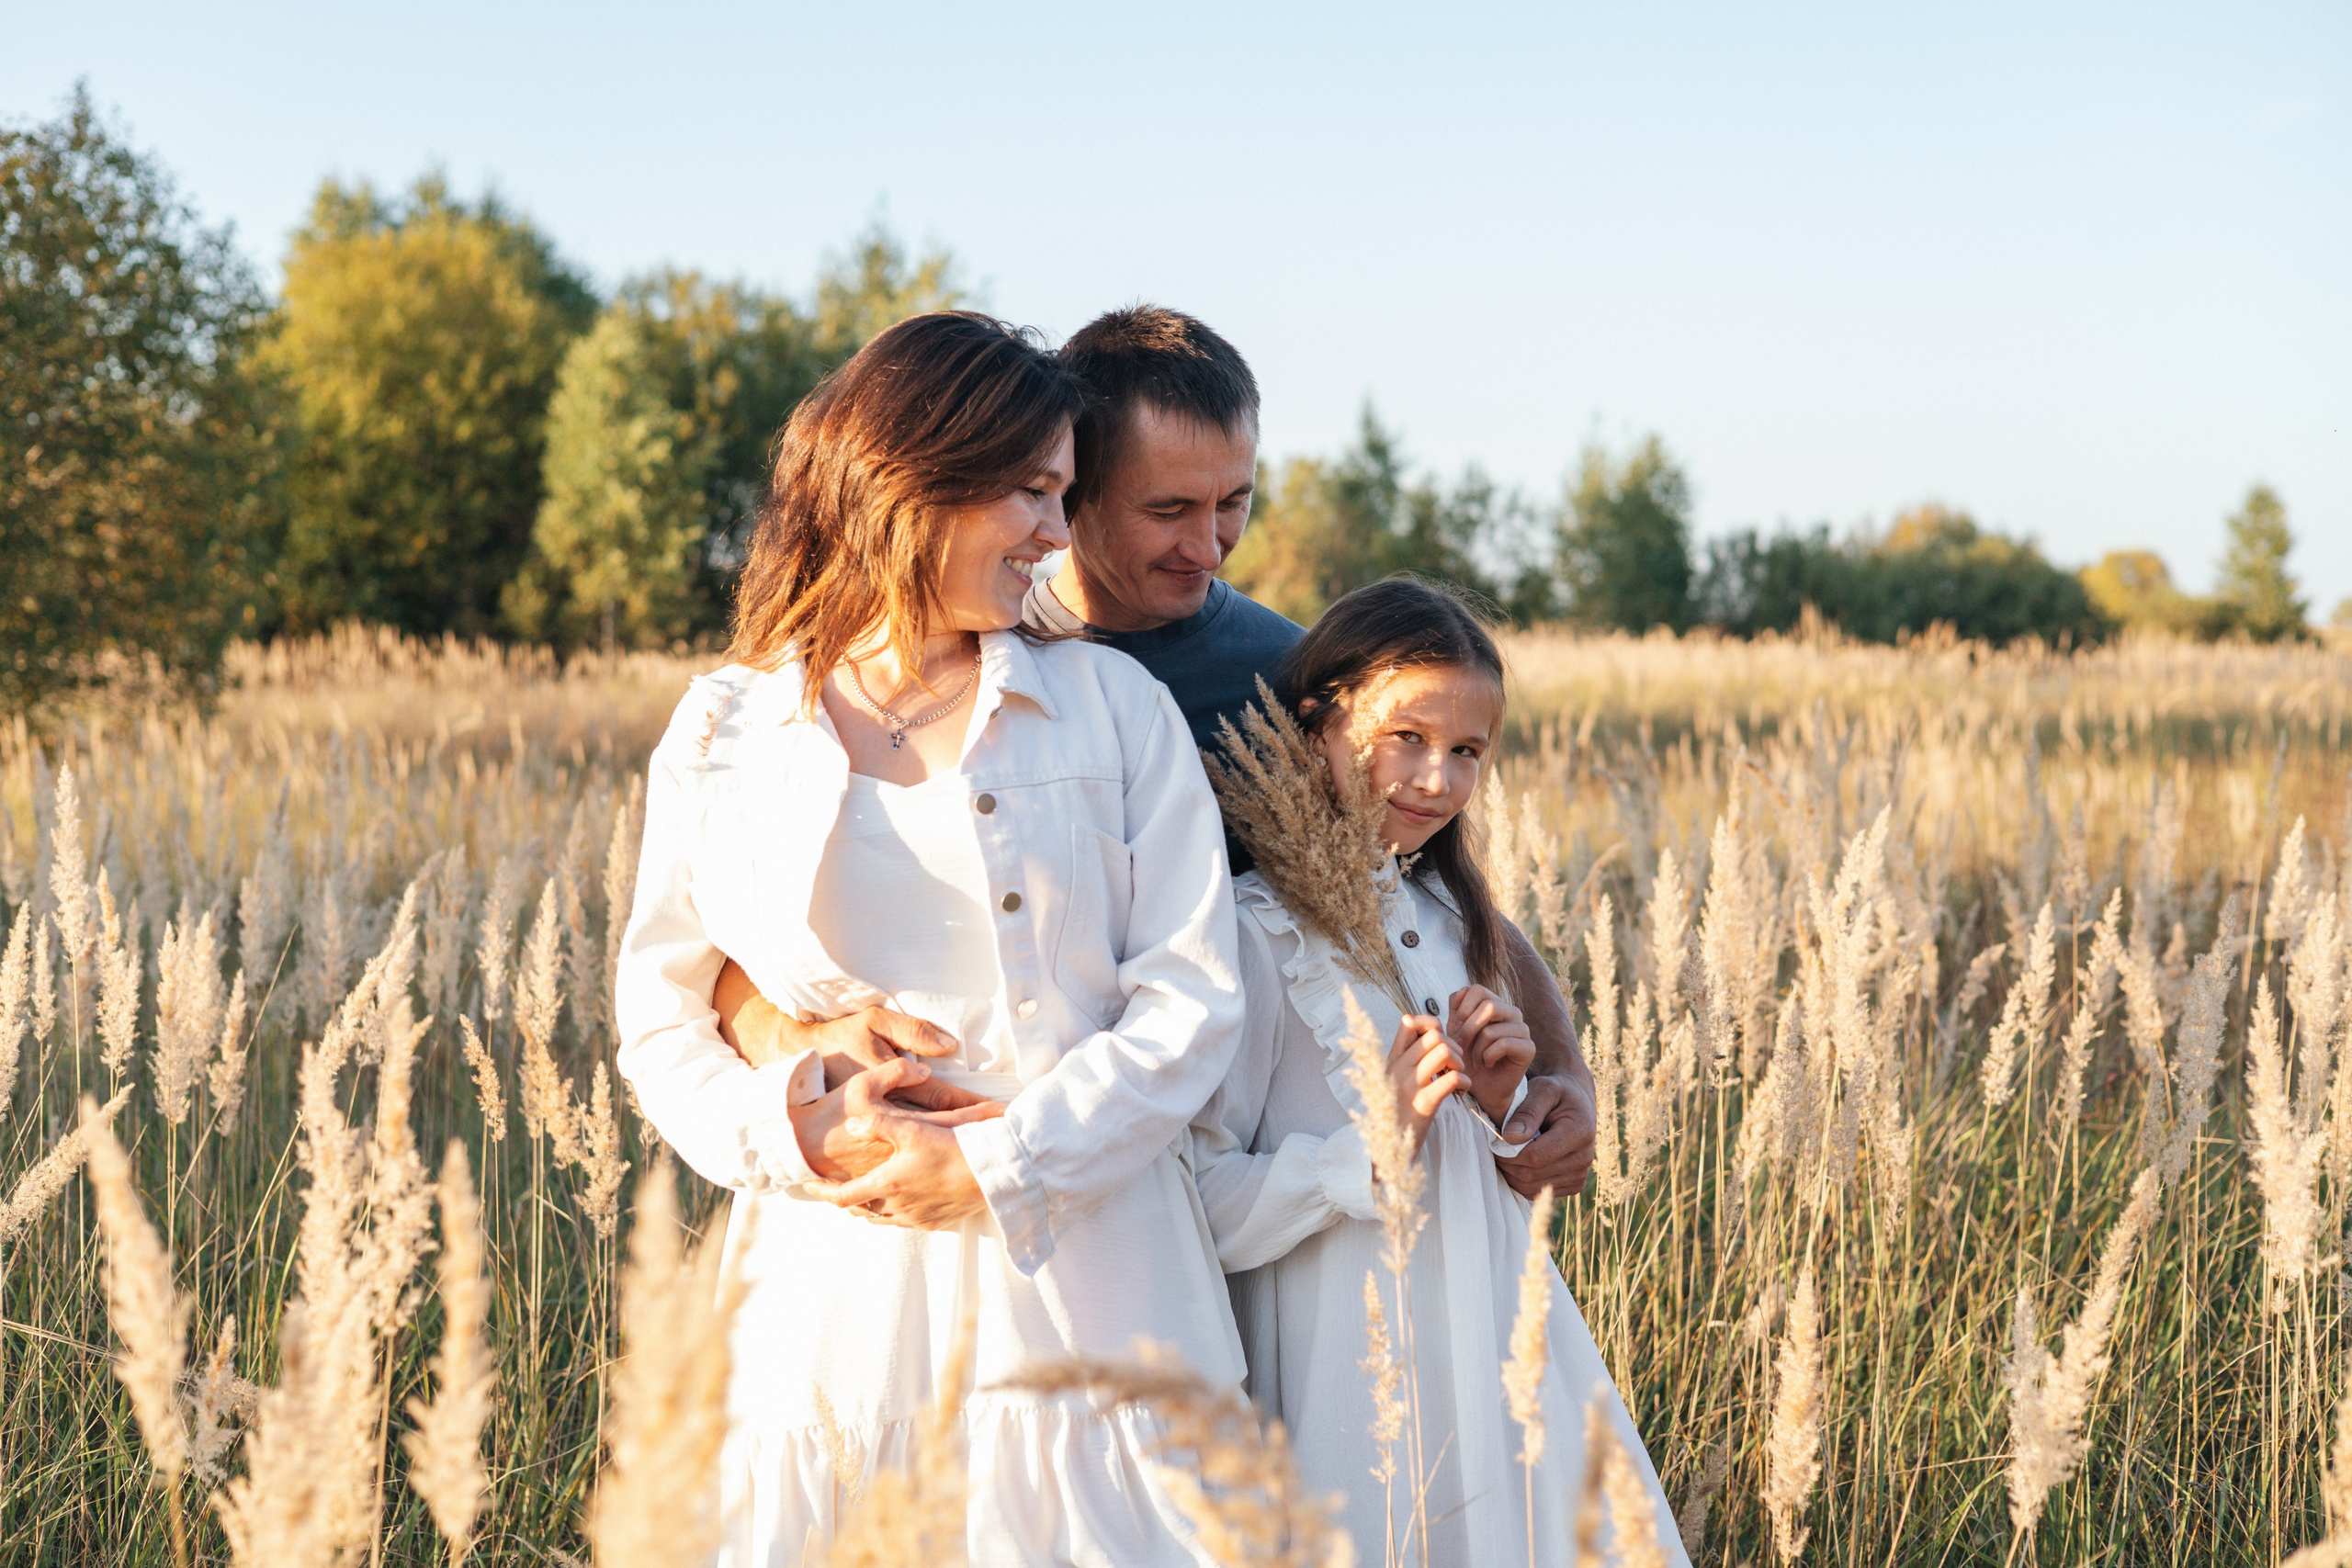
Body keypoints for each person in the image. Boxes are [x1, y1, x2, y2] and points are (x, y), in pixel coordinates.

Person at [614, 311, 1248, 1566]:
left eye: (1065, 493)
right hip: (831, 1283)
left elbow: (1192, 997)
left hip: (1091, 1274)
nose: (1057, 533)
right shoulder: (724, 728)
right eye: (1031, 492)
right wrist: (798, 1127)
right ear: (909, 483)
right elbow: (661, 1010)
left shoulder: (1112, 707)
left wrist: (1004, 1164)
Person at [720, 304, 1600, 1203]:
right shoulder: (948, 663)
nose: (1209, 546)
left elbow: (1421, 891)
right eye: (1168, 509)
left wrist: (1562, 1072)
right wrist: (792, 1038)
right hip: (989, 1162)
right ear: (1074, 491)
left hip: (1265, 1184)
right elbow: (733, 947)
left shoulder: (1286, 676)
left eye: (1234, 502)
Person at [1188, 577, 1685, 1565]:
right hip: (1346, 1367)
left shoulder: (1454, 922)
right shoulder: (1253, 936)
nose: (1435, 779)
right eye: (1405, 737)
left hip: (1498, 1343)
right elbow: (1201, 1201)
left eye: (1467, 751)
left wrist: (1503, 1110)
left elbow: (1495, 1177)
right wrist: (1368, 1153)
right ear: (1318, 727)